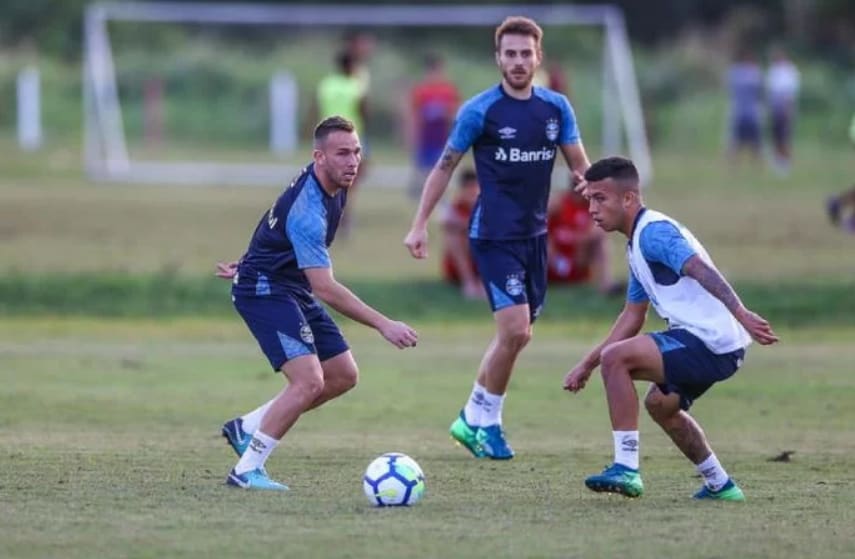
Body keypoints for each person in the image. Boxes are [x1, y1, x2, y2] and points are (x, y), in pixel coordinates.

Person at [404, 16, 591, 460]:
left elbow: (581, 168)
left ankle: (471, 417)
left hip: (535, 238)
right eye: (510, 53)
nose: (519, 61)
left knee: (518, 337)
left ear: (538, 57)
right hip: (492, 236)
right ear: (498, 59)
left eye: (526, 53)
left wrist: (605, 204)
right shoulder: (479, 111)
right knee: (514, 330)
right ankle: (489, 424)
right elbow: (444, 167)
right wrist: (418, 224)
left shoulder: (556, 109)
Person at [215, 116, 418, 491]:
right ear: (318, 157)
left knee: (343, 374)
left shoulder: (333, 183)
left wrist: (251, 256)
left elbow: (273, 219)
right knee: (308, 381)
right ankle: (246, 470)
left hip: (289, 285)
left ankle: (246, 427)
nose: (353, 161)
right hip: (265, 289)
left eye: (356, 152)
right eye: (342, 153)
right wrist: (384, 324)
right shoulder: (310, 210)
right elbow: (325, 288)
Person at [563, 156, 778, 500]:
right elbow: (633, 315)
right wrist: (587, 364)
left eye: (600, 198)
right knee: (661, 406)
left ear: (629, 198)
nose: (591, 208)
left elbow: (699, 269)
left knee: (617, 358)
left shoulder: (654, 234)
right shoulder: (636, 244)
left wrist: (741, 312)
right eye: (589, 199)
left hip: (710, 341)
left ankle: (627, 468)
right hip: (712, 343)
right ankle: (720, 484)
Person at [316, 52, 369, 237]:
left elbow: (317, 106)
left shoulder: (327, 84)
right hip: (350, 137)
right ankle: (343, 216)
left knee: (326, 179)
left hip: (327, 136)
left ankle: (326, 215)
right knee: (350, 180)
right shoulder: (355, 85)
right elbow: (363, 110)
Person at [547, 182, 621, 295]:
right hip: (553, 264)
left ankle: (607, 283)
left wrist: (582, 242)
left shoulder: (593, 209)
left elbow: (598, 232)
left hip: (578, 262)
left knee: (600, 239)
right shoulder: (559, 204)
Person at [406, 53, 461, 199]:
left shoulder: (448, 90)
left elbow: (455, 113)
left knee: (442, 166)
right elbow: (415, 115)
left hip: (442, 135)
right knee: (423, 167)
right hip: (426, 136)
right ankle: (421, 193)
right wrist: (412, 134)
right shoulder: (421, 90)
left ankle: (439, 195)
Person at [441, 168, 484, 299]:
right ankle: (469, 281)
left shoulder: (488, 207)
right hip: (460, 265)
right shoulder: (455, 207)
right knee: (455, 235)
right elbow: (448, 223)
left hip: (485, 258)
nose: (472, 191)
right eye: (469, 188)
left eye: (475, 187)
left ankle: (484, 282)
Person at [765, 48, 800, 174]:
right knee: (776, 135)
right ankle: (777, 161)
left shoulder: (790, 70)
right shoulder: (773, 70)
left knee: (785, 136)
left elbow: (790, 93)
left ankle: (786, 163)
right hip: (775, 106)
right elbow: (770, 91)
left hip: (785, 105)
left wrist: (788, 109)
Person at [727, 49, 763, 164]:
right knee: (740, 141)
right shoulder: (754, 73)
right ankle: (735, 163)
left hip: (744, 112)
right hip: (746, 113)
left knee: (749, 142)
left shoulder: (735, 73)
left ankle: (736, 164)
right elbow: (760, 91)